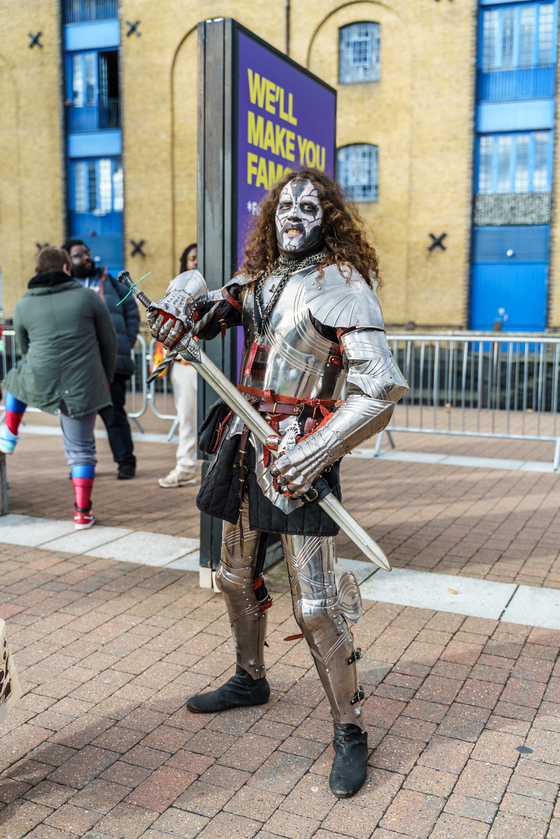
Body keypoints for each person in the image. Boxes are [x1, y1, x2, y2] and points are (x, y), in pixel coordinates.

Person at [148, 168, 409, 798]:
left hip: (298, 451)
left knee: (316, 605)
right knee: (235, 575)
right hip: (244, 440)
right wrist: (181, 302)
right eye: (285, 204)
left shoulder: (343, 284)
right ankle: (250, 676)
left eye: (309, 205)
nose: (294, 213)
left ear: (330, 216)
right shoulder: (262, 276)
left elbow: (381, 387)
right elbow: (210, 314)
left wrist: (318, 449)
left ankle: (350, 729)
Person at [0, 246, 116, 529]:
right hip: (83, 383)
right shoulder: (88, 297)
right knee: (82, 451)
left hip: (40, 375)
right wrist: (105, 377)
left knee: (17, 375)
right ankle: (82, 513)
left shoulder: (23, 304)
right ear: (66, 269)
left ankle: (9, 432)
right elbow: (109, 340)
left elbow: (26, 349)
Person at [62, 239, 140, 480]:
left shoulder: (110, 281)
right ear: (67, 261)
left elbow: (131, 313)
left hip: (111, 362)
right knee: (78, 417)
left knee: (114, 415)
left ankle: (126, 463)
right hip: (77, 366)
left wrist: (124, 342)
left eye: (87, 252)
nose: (86, 257)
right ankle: (81, 463)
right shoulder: (64, 287)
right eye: (78, 255)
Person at [158, 243, 199, 488]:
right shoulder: (175, 288)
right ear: (184, 262)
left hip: (210, 365)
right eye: (191, 258)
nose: (195, 262)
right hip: (184, 365)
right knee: (186, 419)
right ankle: (185, 467)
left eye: (198, 258)